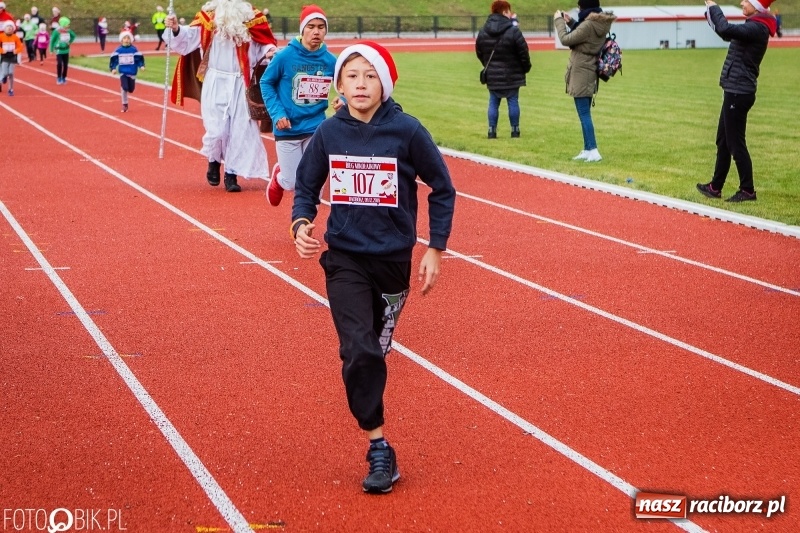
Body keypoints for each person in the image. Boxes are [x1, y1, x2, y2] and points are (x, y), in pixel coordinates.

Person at [290, 41, 456, 495]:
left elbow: (443, 188)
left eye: (370, 76)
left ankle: (368, 374)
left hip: (392, 262)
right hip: (344, 258)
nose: (361, 84)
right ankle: (378, 446)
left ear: (384, 83)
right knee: (359, 351)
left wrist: (435, 248)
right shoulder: (329, 133)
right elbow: (305, 186)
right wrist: (301, 222)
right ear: (339, 86)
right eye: (352, 76)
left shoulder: (407, 131)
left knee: (373, 352)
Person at [166, 0, 278, 193]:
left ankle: (231, 174)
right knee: (216, 129)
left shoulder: (252, 17)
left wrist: (269, 51)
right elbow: (189, 38)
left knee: (240, 129)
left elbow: (263, 44)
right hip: (215, 80)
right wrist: (176, 28)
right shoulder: (208, 17)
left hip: (241, 82)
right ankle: (214, 159)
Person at [696, 0, 777, 203]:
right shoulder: (755, 25)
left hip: (739, 92)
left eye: (746, 1)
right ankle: (715, 187)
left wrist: (714, 7)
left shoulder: (756, 28)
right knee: (723, 141)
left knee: (735, 143)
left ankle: (747, 190)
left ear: (757, 7)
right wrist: (710, 12)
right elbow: (725, 33)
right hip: (735, 90)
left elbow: (725, 28)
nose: (742, 3)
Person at [260, 4, 336, 206]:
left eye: (321, 27)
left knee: (314, 182)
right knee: (292, 182)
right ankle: (279, 177)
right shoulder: (284, 57)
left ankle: (306, 219)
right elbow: (266, 83)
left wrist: (343, 100)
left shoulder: (330, 61)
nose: (316, 32)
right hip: (288, 127)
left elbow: (346, 84)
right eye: (311, 26)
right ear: (302, 29)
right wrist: (277, 114)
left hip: (316, 128)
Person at [553, 0, 616, 162]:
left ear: (585, 8)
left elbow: (566, 39)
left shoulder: (588, 25)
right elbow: (583, 35)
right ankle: (587, 149)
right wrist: (571, 22)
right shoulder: (597, 23)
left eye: (580, 7)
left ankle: (593, 150)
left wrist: (559, 21)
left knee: (584, 114)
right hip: (589, 69)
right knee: (584, 113)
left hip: (582, 71)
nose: (578, 9)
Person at [475, 1, 531, 139]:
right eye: (509, 11)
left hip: (493, 74)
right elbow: (523, 52)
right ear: (505, 12)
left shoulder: (483, 31)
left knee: (493, 102)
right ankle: (515, 130)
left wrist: (488, 65)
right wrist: (525, 67)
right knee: (513, 101)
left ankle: (492, 130)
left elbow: (479, 51)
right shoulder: (514, 31)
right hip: (512, 73)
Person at [110, 29, 145, 113]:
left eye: (128, 38)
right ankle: (125, 104)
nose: (126, 40)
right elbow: (114, 60)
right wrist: (113, 68)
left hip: (132, 72)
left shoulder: (134, 50)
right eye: (125, 38)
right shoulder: (118, 50)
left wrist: (141, 66)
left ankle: (127, 89)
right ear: (121, 40)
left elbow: (139, 59)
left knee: (131, 89)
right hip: (123, 72)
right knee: (124, 88)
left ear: (131, 40)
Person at [0, 19, 23, 96]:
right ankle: (4, 77)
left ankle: (11, 89)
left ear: (13, 28)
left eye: (11, 27)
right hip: (4, 56)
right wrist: (2, 50)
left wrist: (16, 51)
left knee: (11, 73)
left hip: (12, 56)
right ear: (4, 28)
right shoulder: (1, 36)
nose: (9, 28)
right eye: (8, 27)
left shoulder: (15, 37)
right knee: (5, 72)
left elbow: (20, 46)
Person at [49, 15, 74, 84]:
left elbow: (73, 36)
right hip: (59, 50)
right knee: (59, 63)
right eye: (67, 24)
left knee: (65, 65)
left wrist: (70, 42)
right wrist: (51, 50)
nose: (68, 26)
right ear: (63, 24)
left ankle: (64, 77)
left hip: (66, 50)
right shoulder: (56, 31)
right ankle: (59, 77)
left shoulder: (68, 31)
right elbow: (52, 41)